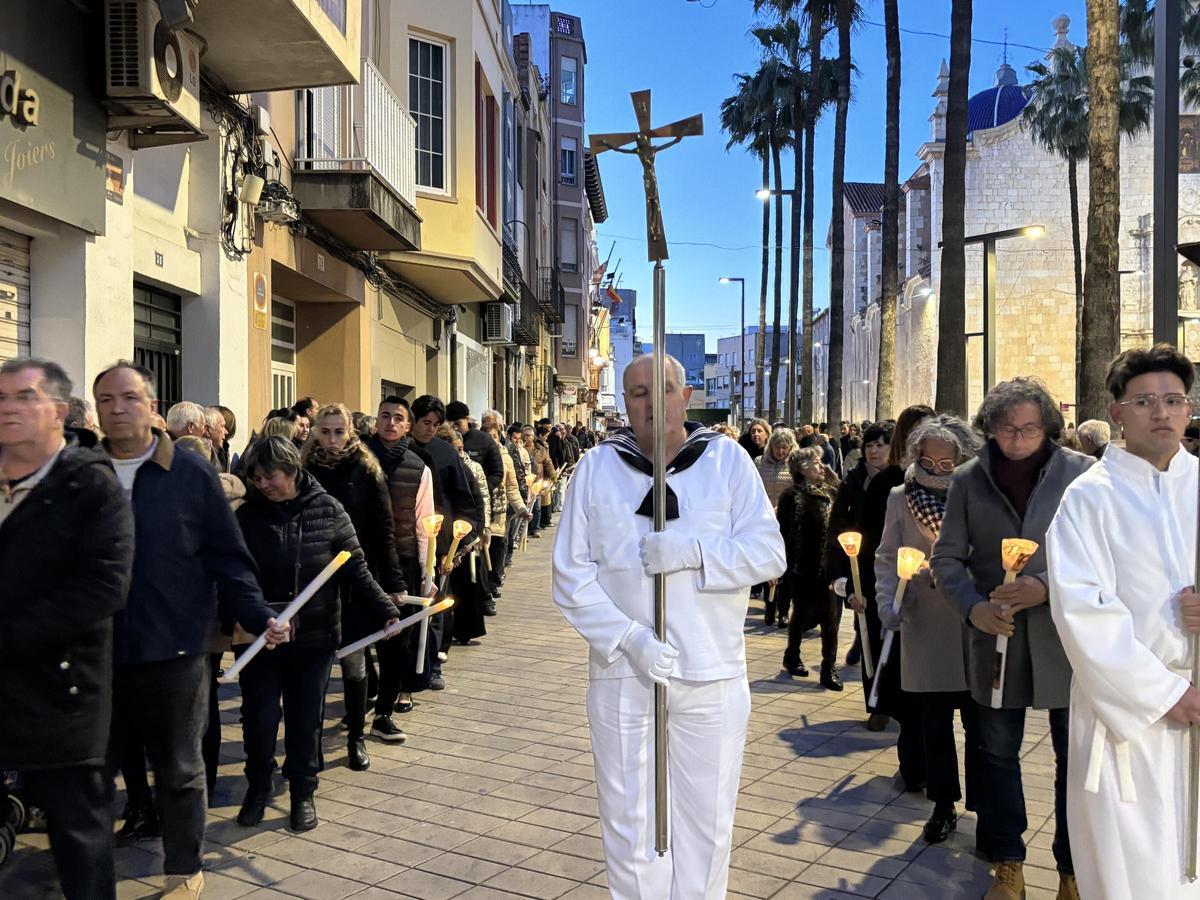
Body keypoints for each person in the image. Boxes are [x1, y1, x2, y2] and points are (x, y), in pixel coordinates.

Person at [552, 353, 786, 899]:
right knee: (631, 826)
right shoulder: (596, 468)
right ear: (623, 402)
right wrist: (627, 638)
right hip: (625, 677)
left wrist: (695, 554)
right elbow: (569, 576)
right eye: (636, 392)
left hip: (711, 673)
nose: (650, 401)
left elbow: (768, 553)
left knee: (706, 825)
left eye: (663, 388)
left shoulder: (727, 462)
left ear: (686, 396)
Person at [92, 362, 288, 899]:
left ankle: (183, 869)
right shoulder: (82, 470)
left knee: (180, 769)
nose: (117, 408)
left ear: (152, 406)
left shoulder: (190, 472)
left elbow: (229, 555)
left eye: (129, 397)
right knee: (87, 773)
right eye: (105, 399)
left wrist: (256, 614)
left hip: (177, 646)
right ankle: (87, 875)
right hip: (99, 649)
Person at [1047, 346, 1200, 900]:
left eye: (1174, 399)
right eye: (1144, 401)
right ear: (1117, 413)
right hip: (1130, 722)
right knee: (1134, 877)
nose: (1161, 411)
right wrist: (1163, 693)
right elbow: (1082, 613)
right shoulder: (1089, 499)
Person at [931, 378, 1093, 900]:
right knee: (996, 753)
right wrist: (974, 608)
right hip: (995, 638)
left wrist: (1046, 586)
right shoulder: (967, 480)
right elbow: (947, 558)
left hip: (1067, 641)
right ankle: (1008, 861)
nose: (1018, 438)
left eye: (1028, 428)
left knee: (1076, 758)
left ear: (1048, 425)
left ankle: (1073, 868)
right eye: (1006, 429)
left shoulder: (1083, 475)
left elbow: (1102, 558)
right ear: (988, 430)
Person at [0, 358, 134, 900]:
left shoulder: (89, 485)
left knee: (77, 834)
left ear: (58, 412)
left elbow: (103, 588)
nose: (9, 408)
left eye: (23, 397)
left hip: (64, 689)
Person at [235, 437, 399, 832]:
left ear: (292, 472)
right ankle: (258, 786)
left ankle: (302, 791)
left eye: (270, 476)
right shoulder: (246, 516)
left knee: (305, 719)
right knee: (258, 718)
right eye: (256, 478)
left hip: (314, 636)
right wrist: (253, 618)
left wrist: (387, 609)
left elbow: (355, 567)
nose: (263, 485)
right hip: (261, 638)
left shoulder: (327, 510)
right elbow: (236, 575)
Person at [874, 414, 981, 845]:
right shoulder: (901, 497)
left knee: (981, 727)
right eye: (929, 460)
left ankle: (986, 805)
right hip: (924, 625)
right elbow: (885, 556)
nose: (936, 469)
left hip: (973, 627)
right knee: (933, 728)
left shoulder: (976, 496)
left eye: (946, 462)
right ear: (916, 456)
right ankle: (942, 804)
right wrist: (887, 600)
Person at [302, 403, 409, 767]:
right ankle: (309, 742)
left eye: (339, 431)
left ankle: (356, 738)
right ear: (315, 431)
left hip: (357, 578)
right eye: (325, 431)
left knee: (354, 660)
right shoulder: (304, 469)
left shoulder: (366, 470)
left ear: (351, 432)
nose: (332, 439)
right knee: (312, 664)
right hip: (315, 581)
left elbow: (384, 531)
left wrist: (393, 582)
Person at [366, 396, 436, 724]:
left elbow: (426, 522)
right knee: (363, 632)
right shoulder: (360, 459)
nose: (390, 423)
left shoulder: (418, 466)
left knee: (398, 636)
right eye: (385, 416)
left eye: (398, 418)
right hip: (363, 561)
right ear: (376, 420)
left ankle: (387, 705)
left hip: (404, 559)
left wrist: (426, 569)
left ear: (407, 425)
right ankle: (370, 690)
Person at [410, 395, 482, 690]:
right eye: (425, 423)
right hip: (407, 543)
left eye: (435, 424)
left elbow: (464, 499)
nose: (430, 429)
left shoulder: (445, 453)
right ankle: (411, 669)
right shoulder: (401, 452)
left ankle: (434, 664)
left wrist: (459, 541)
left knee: (438, 605)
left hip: (441, 544)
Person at [779, 447, 842, 690]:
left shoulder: (830, 490)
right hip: (802, 567)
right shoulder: (791, 496)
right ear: (801, 469)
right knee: (801, 614)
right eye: (815, 462)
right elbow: (784, 533)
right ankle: (792, 655)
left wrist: (834, 480)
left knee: (831, 618)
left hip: (828, 567)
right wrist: (782, 567)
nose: (821, 466)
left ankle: (829, 667)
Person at [754, 427, 798, 626]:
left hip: (788, 521)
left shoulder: (795, 466)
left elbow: (799, 491)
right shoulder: (759, 463)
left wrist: (784, 506)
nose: (781, 451)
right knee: (767, 565)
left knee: (785, 567)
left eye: (784, 447)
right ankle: (769, 607)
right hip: (765, 520)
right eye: (777, 447)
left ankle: (784, 610)